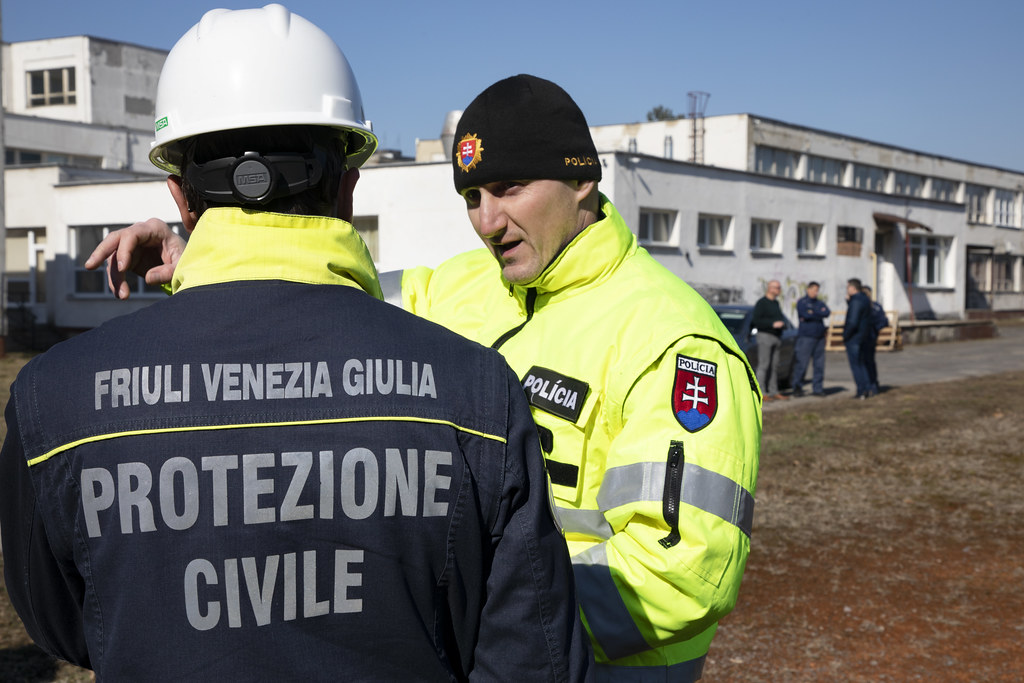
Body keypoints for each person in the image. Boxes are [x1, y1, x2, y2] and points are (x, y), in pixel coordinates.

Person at [88, 73, 761, 682]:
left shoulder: (672, 341)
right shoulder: (448, 289)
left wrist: (489, 613)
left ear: (583, 178)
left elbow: (683, 573)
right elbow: (315, 319)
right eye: (472, 195)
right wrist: (199, 253)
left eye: (509, 188)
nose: (488, 222)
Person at [1, 9, 593, 681]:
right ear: (348, 183)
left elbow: (69, 623)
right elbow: (532, 662)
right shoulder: (478, 393)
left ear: (177, 193)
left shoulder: (54, 401)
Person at [789, 281, 830, 397]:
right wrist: (817, 314)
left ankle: (818, 388)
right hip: (806, 337)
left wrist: (813, 313)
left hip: (819, 337)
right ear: (808, 290)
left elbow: (826, 312)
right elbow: (805, 315)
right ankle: (797, 387)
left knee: (819, 364)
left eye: (817, 290)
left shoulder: (819, 303)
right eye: (814, 290)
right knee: (802, 363)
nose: (815, 292)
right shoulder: (802, 302)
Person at [752, 279, 788, 401]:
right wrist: (772, 324)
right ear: (770, 288)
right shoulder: (761, 303)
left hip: (777, 337)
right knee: (764, 365)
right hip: (765, 336)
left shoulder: (776, 303)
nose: (779, 290)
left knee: (774, 366)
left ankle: (774, 391)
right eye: (776, 287)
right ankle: (761, 392)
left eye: (779, 287)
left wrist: (782, 324)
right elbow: (756, 321)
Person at [842, 278, 873, 399]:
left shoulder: (856, 301)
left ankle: (861, 390)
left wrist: (846, 335)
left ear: (852, 288)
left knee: (856, 365)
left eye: (848, 287)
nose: (847, 290)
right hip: (864, 336)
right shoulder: (864, 299)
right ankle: (867, 388)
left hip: (854, 337)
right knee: (862, 364)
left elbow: (853, 321)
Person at [861, 285, 887, 396]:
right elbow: (884, 321)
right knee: (870, 362)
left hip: (866, 337)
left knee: (865, 362)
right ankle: (874, 385)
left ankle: (869, 386)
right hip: (872, 336)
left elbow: (884, 321)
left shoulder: (867, 306)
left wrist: (874, 328)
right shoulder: (876, 306)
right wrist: (876, 329)